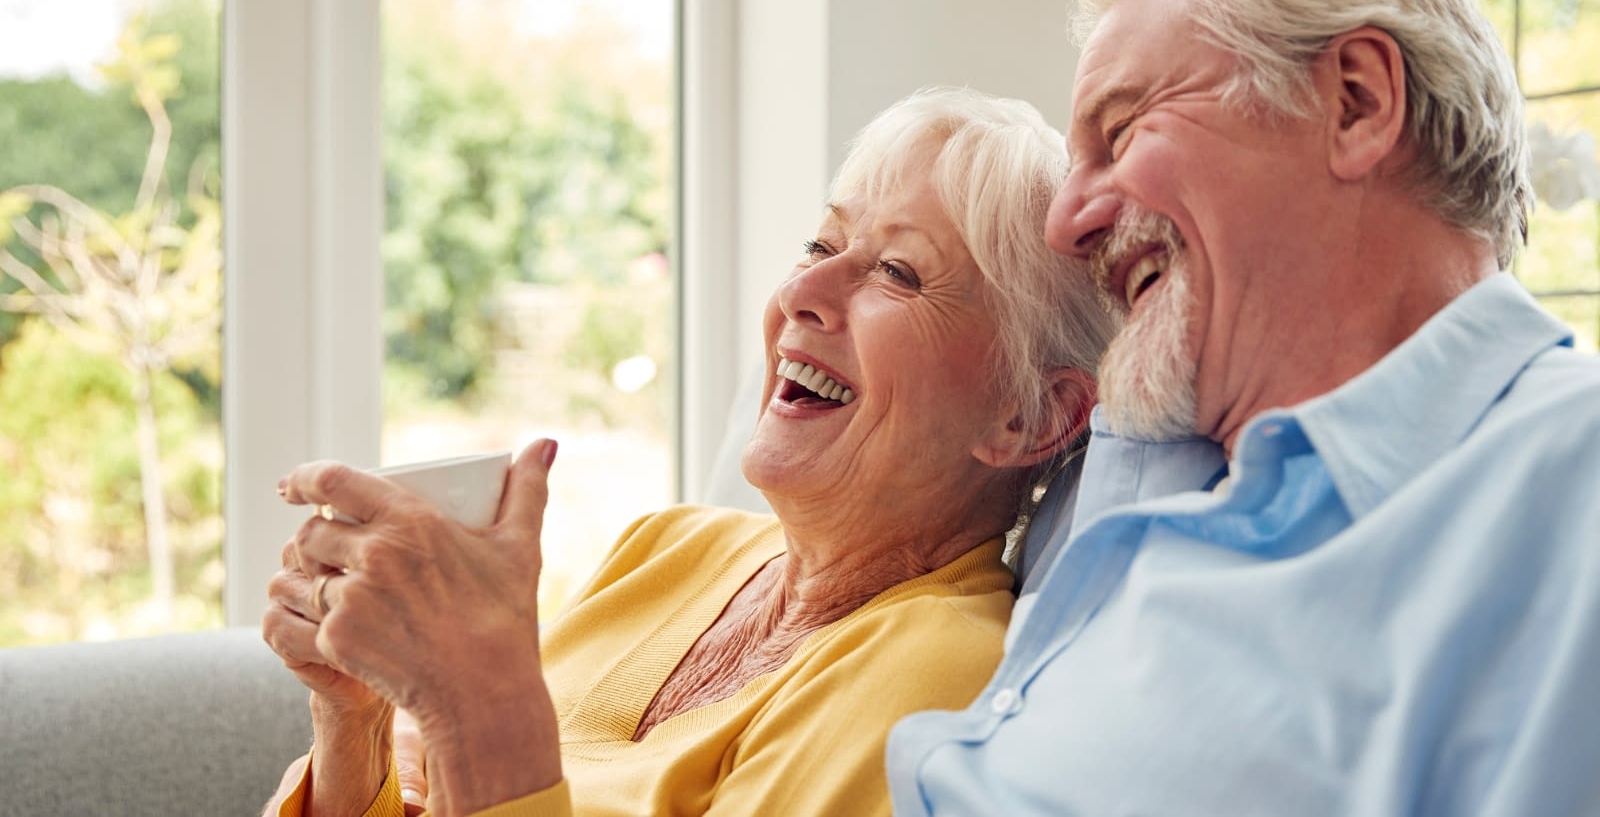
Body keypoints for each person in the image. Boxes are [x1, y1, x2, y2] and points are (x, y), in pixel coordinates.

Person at [887, 0, 1600, 814]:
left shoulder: (1567, 490)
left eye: (1123, 130)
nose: (1063, 224)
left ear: (1356, 102)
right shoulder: (1146, 453)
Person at [261, 86, 1119, 816]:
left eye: (897, 273)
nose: (800, 293)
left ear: (1030, 418)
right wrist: (357, 717)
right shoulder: (668, 546)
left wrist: (478, 700)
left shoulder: (935, 674)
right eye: (822, 246)